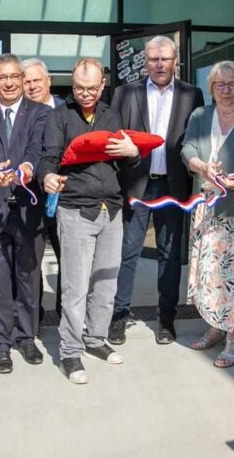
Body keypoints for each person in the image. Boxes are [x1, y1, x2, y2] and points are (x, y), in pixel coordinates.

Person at [39, 58, 140, 385]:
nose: (85, 94)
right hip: (75, 209)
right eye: (80, 88)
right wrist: (47, 176)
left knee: (106, 283)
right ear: (72, 84)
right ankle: (70, 351)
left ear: (103, 84)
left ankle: (96, 340)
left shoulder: (112, 114)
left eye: (92, 88)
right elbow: (48, 157)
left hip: (110, 209)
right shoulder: (60, 116)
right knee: (75, 286)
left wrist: (132, 151)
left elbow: (128, 162)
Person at [109, 36, 204, 345]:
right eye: (153, 59)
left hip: (174, 186)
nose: (160, 65)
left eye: (165, 59)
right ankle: (119, 317)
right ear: (145, 62)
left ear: (176, 61)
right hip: (136, 182)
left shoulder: (192, 94)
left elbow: (198, 140)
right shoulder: (126, 93)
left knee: (170, 254)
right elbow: (114, 137)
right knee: (127, 253)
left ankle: (166, 320)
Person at [181, 62, 234, 367]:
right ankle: (216, 325)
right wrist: (200, 166)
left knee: (233, 275)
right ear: (211, 87)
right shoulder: (201, 116)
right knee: (210, 272)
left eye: (233, 85)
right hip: (205, 205)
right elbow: (187, 147)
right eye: (220, 85)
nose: (226, 91)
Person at [0, 53, 50, 374]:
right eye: (1, 77)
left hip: (29, 207)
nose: (8, 83)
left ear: (21, 77)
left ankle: (26, 337)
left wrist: (27, 168)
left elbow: (38, 148)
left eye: (14, 76)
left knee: (29, 277)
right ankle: (1, 344)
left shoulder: (41, 113)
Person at [22, 58, 64, 318]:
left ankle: (64, 314)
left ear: (48, 81)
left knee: (68, 260)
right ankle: (33, 315)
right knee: (31, 262)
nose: (32, 86)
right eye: (27, 81)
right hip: (31, 198)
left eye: (37, 80)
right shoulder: (21, 113)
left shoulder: (66, 108)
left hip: (65, 196)